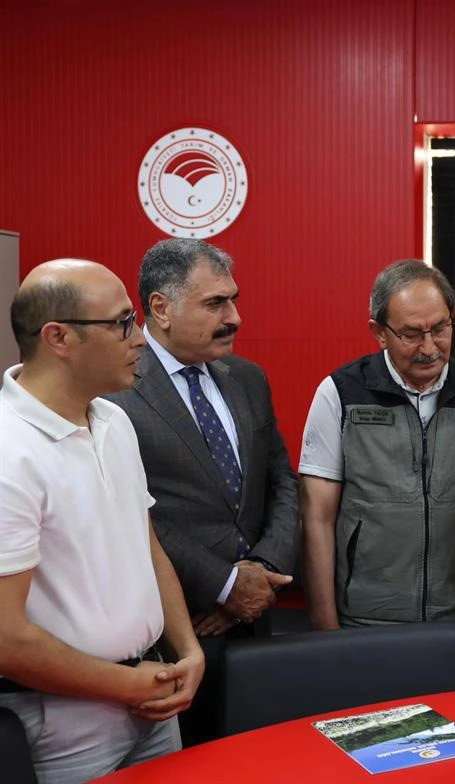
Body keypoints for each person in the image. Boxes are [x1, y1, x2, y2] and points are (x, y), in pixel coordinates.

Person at [0, 259, 205, 783]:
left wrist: (188, 650)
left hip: (153, 688)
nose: (139, 339)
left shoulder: (114, 420)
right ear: (59, 337)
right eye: (122, 323)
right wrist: (128, 685)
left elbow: (145, 544)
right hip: (64, 720)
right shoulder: (9, 451)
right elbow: (6, 638)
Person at [105, 239, 298, 743]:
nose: (234, 317)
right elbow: (131, 513)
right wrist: (224, 584)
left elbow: (282, 481)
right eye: (215, 303)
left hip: (257, 621)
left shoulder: (247, 378)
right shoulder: (114, 392)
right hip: (175, 634)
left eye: (233, 300)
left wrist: (262, 572)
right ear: (161, 308)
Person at [299, 260, 455, 683]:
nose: (429, 347)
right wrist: (324, 621)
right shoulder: (340, 392)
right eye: (411, 334)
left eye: (440, 328)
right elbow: (316, 516)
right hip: (368, 618)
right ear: (379, 331)